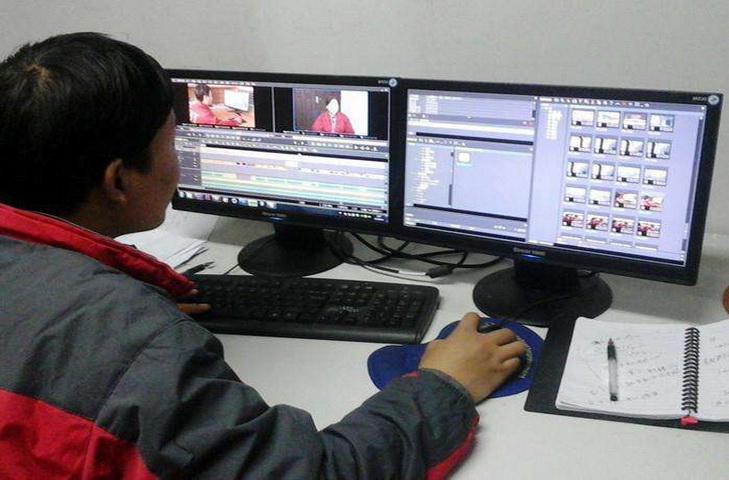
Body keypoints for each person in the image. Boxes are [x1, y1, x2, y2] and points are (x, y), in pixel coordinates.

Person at [0, 32, 526, 479]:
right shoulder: (132, 339)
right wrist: (446, 384)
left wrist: (118, 311)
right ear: (118, 180)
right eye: (173, 143)